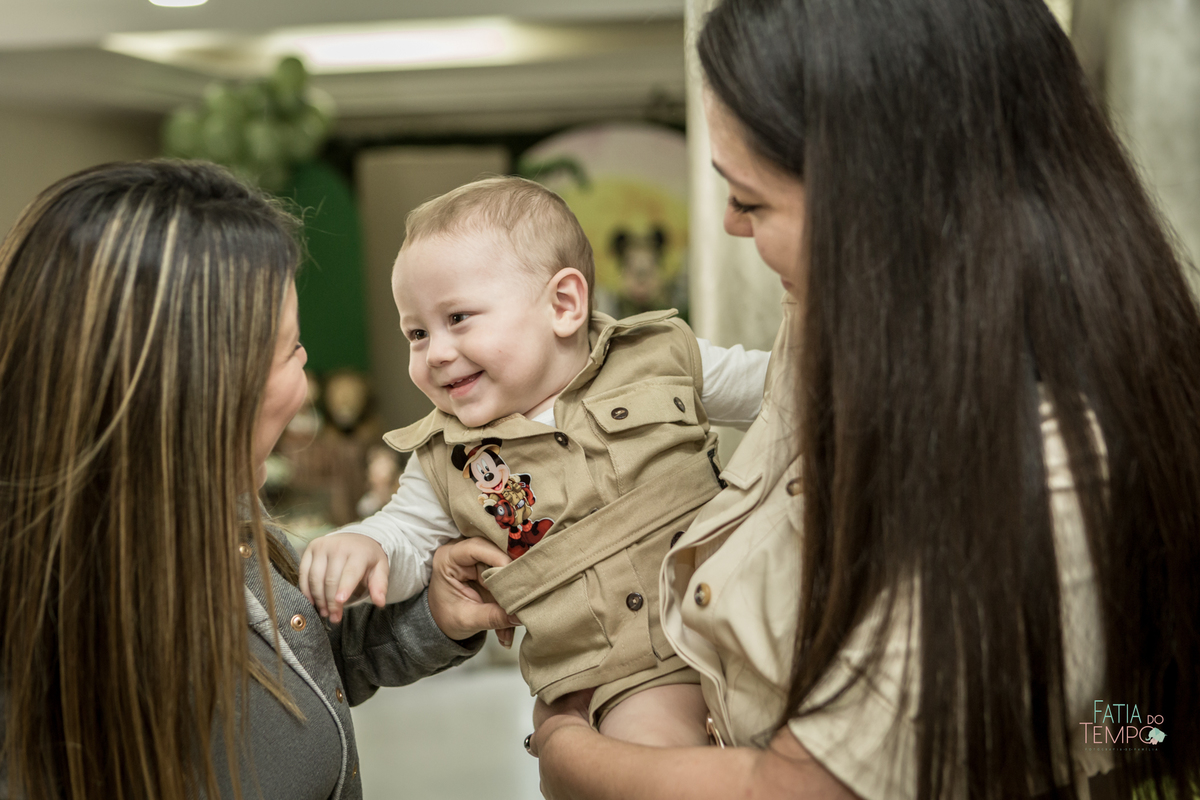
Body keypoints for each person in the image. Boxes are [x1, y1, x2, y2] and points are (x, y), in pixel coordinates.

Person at [527, 0, 1200, 798]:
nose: (734, 226)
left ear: (884, 202)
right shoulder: (836, 318)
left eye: (754, 200)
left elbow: (1152, 719)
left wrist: (571, 751)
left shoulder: (1047, 465)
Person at [0, 159, 514, 800]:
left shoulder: (223, 529)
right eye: (293, 350)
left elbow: (295, 660)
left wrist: (434, 615)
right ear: (201, 391)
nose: (307, 374)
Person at [298, 175, 770, 746]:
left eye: (458, 318)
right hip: (626, 676)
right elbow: (407, 540)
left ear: (564, 304)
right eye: (416, 333)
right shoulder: (445, 456)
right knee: (658, 764)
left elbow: (782, 390)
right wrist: (368, 546)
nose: (437, 353)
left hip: (756, 614)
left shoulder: (659, 356)